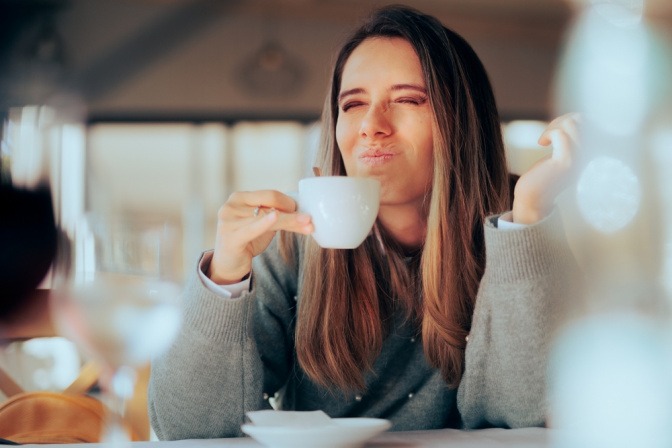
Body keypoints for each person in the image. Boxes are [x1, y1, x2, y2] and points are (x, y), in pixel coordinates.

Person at [148, 4, 581, 438]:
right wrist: (224, 277)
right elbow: (184, 429)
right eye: (353, 104)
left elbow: (524, 423)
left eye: (408, 99)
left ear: (461, 121)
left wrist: (526, 220)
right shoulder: (291, 239)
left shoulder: (524, 233)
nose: (371, 126)